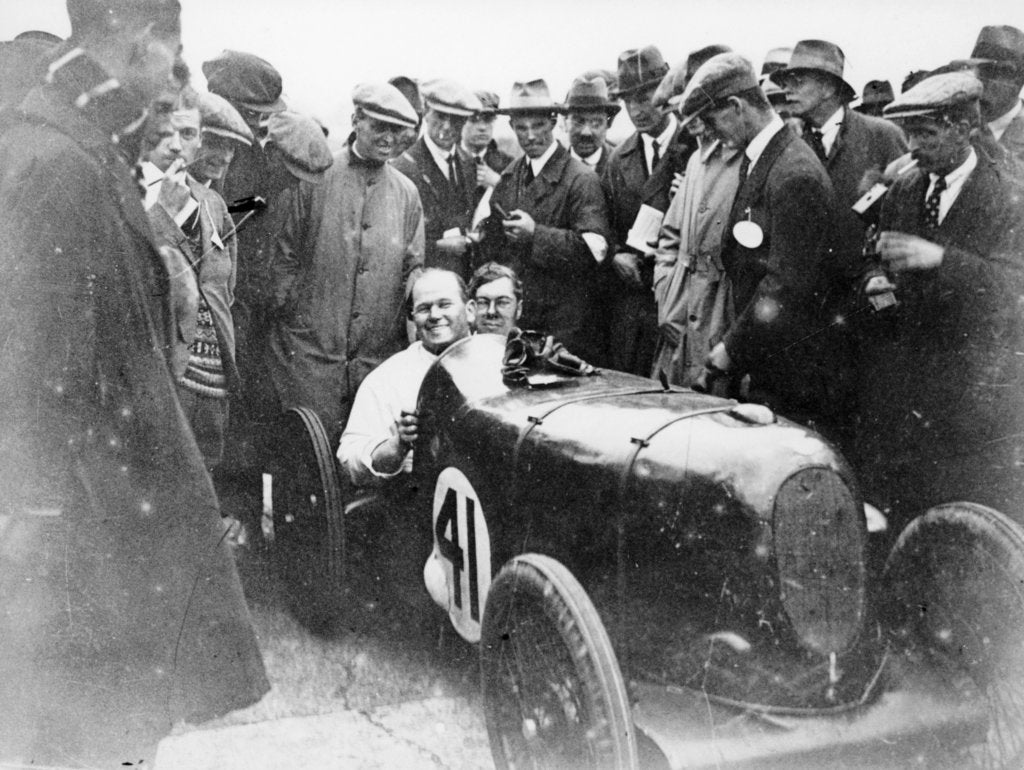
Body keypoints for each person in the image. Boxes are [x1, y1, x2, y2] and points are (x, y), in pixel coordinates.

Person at [0, 1, 268, 764]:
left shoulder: (75, 149)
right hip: (88, 545)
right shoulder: (61, 166)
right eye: (173, 57)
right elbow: (37, 378)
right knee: (94, 740)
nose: (176, 80)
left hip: (99, 526)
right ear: (141, 40)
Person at [856, 70, 1024, 531]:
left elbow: (1015, 291)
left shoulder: (1010, 195)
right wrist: (874, 281)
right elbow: (873, 253)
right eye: (909, 133)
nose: (911, 146)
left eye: (925, 134)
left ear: (965, 129)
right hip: (907, 389)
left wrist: (942, 260)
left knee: (961, 522)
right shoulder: (907, 187)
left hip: (972, 399)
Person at [679, 53, 841, 433]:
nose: (709, 132)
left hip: (791, 373)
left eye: (711, 119)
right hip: (768, 359)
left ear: (736, 106)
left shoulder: (793, 173)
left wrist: (731, 349)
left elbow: (784, 285)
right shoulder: (765, 160)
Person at [268, 82, 425, 442]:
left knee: (367, 464)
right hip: (310, 361)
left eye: (397, 130)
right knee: (307, 463)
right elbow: (283, 260)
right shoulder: (316, 176)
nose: (388, 138)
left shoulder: (406, 193)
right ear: (356, 120)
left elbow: (412, 269)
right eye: (379, 126)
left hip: (375, 365)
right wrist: (299, 320)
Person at [141, 86, 242, 472]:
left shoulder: (213, 204)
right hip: (161, 382)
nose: (176, 146)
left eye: (188, 134)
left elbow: (224, 290)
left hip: (213, 384)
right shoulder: (129, 197)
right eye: (165, 134)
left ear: (200, 141)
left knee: (204, 495)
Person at [480, 79, 609, 364]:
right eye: (521, 128)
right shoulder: (511, 175)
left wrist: (535, 235)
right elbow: (493, 244)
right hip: (520, 324)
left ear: (553, 123)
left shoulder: (581, 179)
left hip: (565, 329)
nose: (530, 136)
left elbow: (594, 252)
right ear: (512, 127)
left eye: (538, 126)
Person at [652, 47, 744, 387]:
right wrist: (667, 295)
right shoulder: (696, 160)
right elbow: (670, 238)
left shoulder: (749, 159)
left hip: (721, 329)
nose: (691, 122)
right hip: (678, 329)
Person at [338, 268, 475, 485]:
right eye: (424, 308)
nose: (435, 315)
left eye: (445, 304)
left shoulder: (498, 359)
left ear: (470, 310)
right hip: (418, 498)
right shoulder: (388, 378)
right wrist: (397, 445)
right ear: (413, 318)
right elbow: (349, 460)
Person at [602, 45, 679, 375]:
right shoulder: (619, 159)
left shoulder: (697, 147)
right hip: (634, 307)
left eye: (646, 96)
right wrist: (615, 254)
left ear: (666, 91)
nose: (637, 108)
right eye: (628, 100)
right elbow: (602, 223)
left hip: (679, 302)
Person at [392, 79, 481, 278]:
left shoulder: (468, 164)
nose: (447, 127)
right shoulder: (402, 168)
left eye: (456, 119)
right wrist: (439, 246)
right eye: (440, 116)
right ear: (425, 113)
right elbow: (392, 243)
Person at [957, 24, 1024, 181]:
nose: (980, 84)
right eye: (978, 72)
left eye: (992, 74)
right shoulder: (959, 126)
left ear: (1017, 80)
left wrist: (992, 149)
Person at [564, 73, 619, 175]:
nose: (586, 132)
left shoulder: (622, 167)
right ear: (565, 123)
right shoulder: (552, 166)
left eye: (595, 123)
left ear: (608, 124)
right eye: (578, 122)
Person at [462, 89, 514, 183]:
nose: (482, 127)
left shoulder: (509, 164)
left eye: (488, 119)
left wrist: (497, 183)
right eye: (474, 120)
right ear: (461, 122)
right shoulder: (447, 160)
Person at [468, 261, 523, 336]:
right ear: (471, 309)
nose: (491, 311)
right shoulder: (458, 347)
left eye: (502, 302)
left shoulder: (533, 347)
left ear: (519, 309)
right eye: (483, 302)